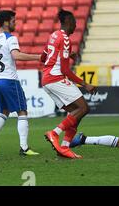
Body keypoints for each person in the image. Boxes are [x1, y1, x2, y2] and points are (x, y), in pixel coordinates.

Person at [0, 10, 41, 156]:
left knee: (4, 111)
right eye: (13, 21)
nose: (15, 23)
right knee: (22, 111)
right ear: (6, 22)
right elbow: (16, 55)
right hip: (9, 80)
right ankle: (24, 148)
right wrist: (38, 57)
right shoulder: (10, 38)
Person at [41, 9, 96, 159]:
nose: (76, 26)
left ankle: (65, 148)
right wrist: (85, 84)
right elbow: (65, 70)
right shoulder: (65, 39)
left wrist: (66, 55)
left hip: (46, 80)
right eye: (74, 23)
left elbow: (43, 58)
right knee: (84, 108)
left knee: (76, 113)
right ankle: (55, 133)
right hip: (56, 78)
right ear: (68, 22)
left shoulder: (53, 35)